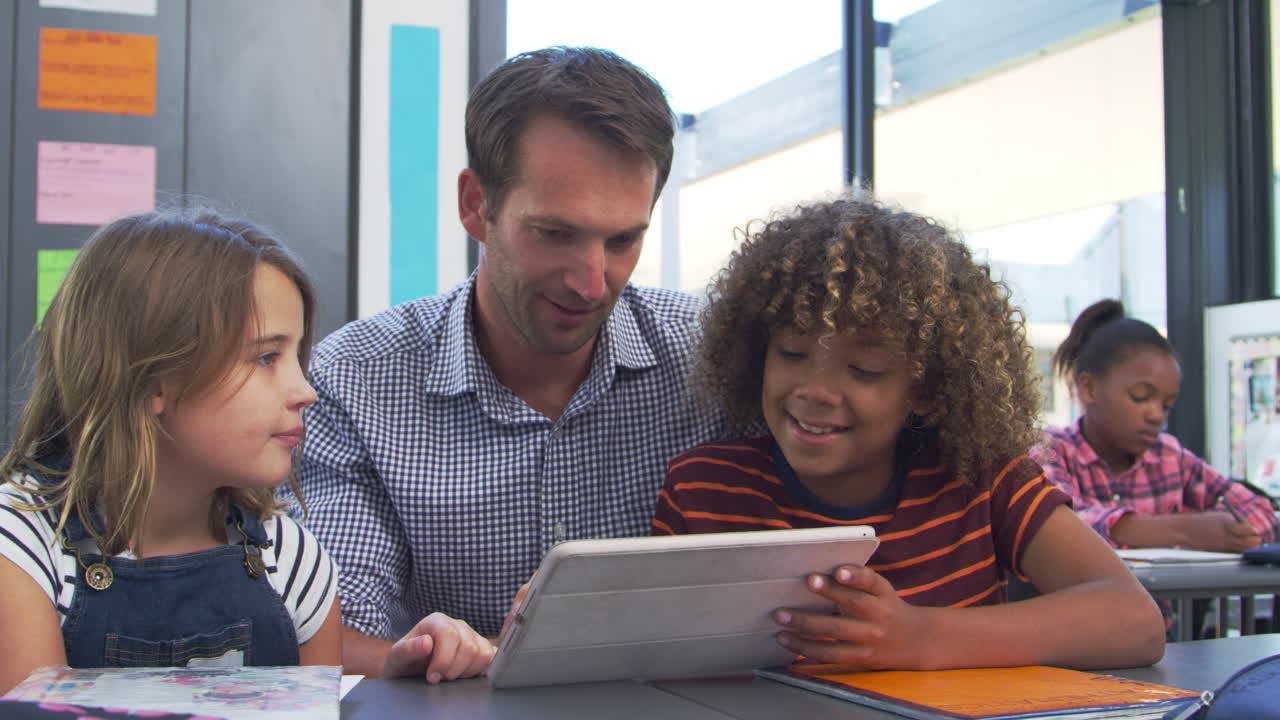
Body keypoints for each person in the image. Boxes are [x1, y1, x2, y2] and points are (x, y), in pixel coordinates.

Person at [296, 45, 724, 682]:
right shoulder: (358, 379)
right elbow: (338, 636)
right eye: (555, 234)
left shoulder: (715, 358)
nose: (590, 282)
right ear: (475, 205)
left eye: (623, 240)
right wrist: (448, 657)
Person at [654, 195, 1166, 670]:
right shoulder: (702, 489)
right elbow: (649, 656)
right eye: (792, 353)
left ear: (925, 387)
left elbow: (1135, 623)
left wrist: (919, 636)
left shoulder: (983, 482)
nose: (817, 390)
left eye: (865, 370)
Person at [0, 210, 340, 694]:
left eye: (296, 355)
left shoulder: (290, 558)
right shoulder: (22, 550)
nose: (305, 390)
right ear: (154, 379)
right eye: (266, 357)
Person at [1031, 299, 1278, 550]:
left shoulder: (1170, 457)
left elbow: (1261, 513)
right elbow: (1055, 528)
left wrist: (1239, 531)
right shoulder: (1048, 450)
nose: (1156, 415)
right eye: (1141, 397)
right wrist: (1187, 530)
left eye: (1166, 405)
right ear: (1089, 389)